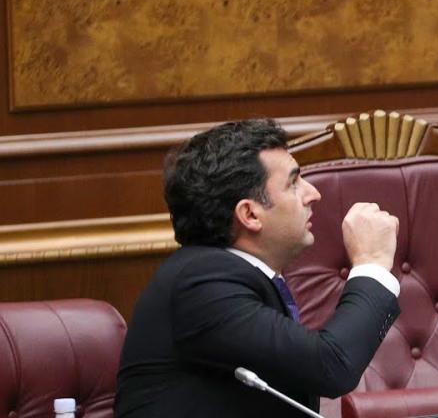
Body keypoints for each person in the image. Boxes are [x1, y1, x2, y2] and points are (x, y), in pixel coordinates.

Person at [115, 118, 400, 417]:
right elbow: (331, 365)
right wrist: (372, 263)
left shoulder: (228, 274)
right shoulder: (201, 284)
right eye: (293, 183)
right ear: (250, 214)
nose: (313, 194)